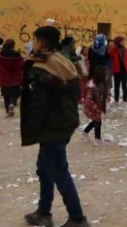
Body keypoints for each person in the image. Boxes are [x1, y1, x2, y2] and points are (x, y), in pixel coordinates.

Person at [21, 26, 91, 227]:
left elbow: (37, 104)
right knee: (44, 168)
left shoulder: (43, 68)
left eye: (37, 40)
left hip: (52, 127)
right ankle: (44, 212)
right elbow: (74, 91)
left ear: (42, 42)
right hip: (64, 122)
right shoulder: (61, 60)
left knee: (59, 170)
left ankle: (77, 218)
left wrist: (32, 129)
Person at [81, 65, 111, 145]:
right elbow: (88, 100)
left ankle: (85, 132)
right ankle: (98, 139)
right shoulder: (91, 86)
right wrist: (95, 108)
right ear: (100, 75)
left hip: (98, 104)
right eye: (106, 75)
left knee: (96, 120)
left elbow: (106, 89)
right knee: (98, 121)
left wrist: (108, 95)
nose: (107, 76)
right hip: (92, 106)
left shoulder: (103, 82)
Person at [0, 39, 24, 117]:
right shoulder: (17, 55)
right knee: (15, 93)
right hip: (15, 79)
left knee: (6, 95)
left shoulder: (1, 55)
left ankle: (7, 110)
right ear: (13, 46)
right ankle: (12, 103)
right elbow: (21, 66)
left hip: (4, 78)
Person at [108, 36, 127, 103]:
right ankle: (116, 99)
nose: (123, 42)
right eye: (122, 41)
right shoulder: (113, 50)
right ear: (118, 42)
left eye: (123, 41)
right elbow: (109, 57)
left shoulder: (126, 50)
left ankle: (125, 99)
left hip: (125, 70)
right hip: (117, 70)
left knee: (124, 85)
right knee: (117, 85)